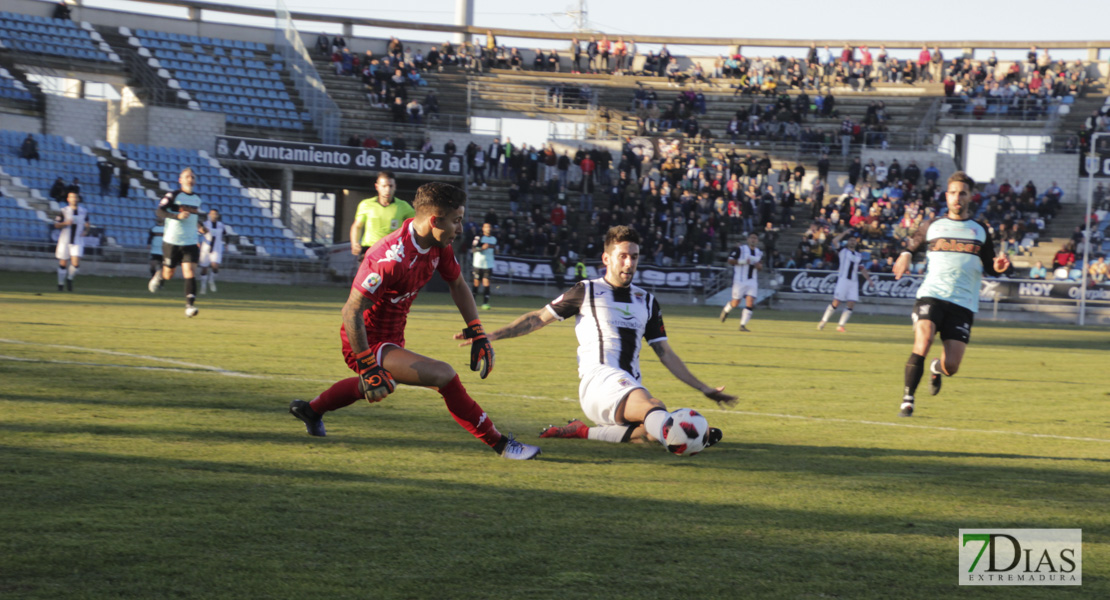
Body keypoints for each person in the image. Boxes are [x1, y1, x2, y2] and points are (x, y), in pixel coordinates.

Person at [289, 183, 539, 460]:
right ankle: (502, 445)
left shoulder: (436, 243)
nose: (460, 229)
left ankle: (311, 410)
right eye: (456, 221)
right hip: (365, 341)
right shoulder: (390, 258)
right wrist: (367, 363)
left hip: (393, 338)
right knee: (444, 376)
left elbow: (457, 283)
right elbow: (351, 312)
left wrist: (477, 331)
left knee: (384, 384)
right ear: (434, 220)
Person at [469, 225, 735, 453]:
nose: (629, 263)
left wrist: (703, 388)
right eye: (623, 256)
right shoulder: (587, 291)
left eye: (634, 256)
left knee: (649, 433)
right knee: (654, 407)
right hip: (599, 380)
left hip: (625, 387)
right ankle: (689, 435)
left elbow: (665, 353)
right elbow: (538, 318)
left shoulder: (648, 301)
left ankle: (581, 431)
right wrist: (491, 334)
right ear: (606, 259)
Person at [892, 172, 1010, 417]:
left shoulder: (980, 231)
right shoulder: (932, 225)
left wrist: (997, 267)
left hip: (963, 303)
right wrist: (904, 256)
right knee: (923, 341)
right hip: (932, 295)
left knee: (952, 366)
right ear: (947, 196)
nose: (957, 197)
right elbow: (912, 245)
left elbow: (990, 266)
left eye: (962, 193)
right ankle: (907, 399)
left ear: (969, 197)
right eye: (953, 193)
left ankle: (936, 368)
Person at [148, 167, 204, 318]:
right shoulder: (173, 195)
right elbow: (159, 211)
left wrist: (201, 228)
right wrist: (176, 216)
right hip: (172, 241)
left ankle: (189, 306)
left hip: (190, 241)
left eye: (192, 176)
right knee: (168, 274)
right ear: (180, 180)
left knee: (190, 272)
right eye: (187, 176)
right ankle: (160, 274)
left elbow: (193, 218)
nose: (190, 179)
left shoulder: (197, 199)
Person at [349, 171, 414, 261]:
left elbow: (417, 225)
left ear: (395, 187)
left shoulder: (403, 206)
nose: (387, 190)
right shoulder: (366, 204)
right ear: (377, 187)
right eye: (384, 186)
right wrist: (354, 243)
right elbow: (357, 226)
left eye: (390, 186)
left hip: (392, 251)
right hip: (369, 249)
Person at [817, 230, 873, 332]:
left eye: (854, 241)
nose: (852, 242)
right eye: (850, 240)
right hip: (843, 280)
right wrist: (844, 233)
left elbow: (862, 269)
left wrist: (869, 280)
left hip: (853, 282)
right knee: (836, 302)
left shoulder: (858, 255)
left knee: (851, 303)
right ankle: (823, 321)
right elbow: (834, 241)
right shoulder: (843, 251)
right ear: (847, 242)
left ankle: (841, 325)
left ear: (856, 243)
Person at [719, 233, 763, 332]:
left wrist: (758, 266)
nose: (753, 240)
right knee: (736, 302)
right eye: (752, 237)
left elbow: (761, 267)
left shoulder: (759, 252)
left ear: (757, 241)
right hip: (740, 281)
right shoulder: (740, 249)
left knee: (750, 302)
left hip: (752, 281)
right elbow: (730, 260)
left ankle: (742, 325)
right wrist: (743, 262)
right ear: (748, 239)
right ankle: (726, 310)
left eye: (755, 238)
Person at [53, 192, 89, 292]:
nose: (74, 199)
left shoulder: (83, 211)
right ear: (68, 199)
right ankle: (60, 284)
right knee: (63, 263)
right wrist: (65, 223)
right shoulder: (64, 211)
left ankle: (69, 279)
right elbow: (56, 225)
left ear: (78, 199)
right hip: (65, 240)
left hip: (77, 240)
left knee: (76, 263)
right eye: (72, 197)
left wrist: (86, 231)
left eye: (75, 197)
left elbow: (87, 223)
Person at [198, 209, 226, 294]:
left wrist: (226, 243)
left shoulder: (221, 225)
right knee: (204, 268)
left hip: (217, 248)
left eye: (216, 214)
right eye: (212, 214)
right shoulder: (206, 224)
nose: (214, 215)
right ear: (209, 215)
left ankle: (211, 280)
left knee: (215, 266)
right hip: (206, 248)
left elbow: (225, 234)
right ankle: (203, 286)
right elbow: (200, 232)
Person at [471, 222, 496, 310]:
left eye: (489, 227)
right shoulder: (479, 238)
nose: (488, 228)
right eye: (486, 227)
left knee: (486, 283)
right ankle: (472, 303)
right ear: (483, 228)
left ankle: (485, 303)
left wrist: (496, 250)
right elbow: (473, 249)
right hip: (478, 264)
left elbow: (496, 249)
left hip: (488, 265)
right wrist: (482, 248)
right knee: (476, 284)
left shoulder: (494, 239)